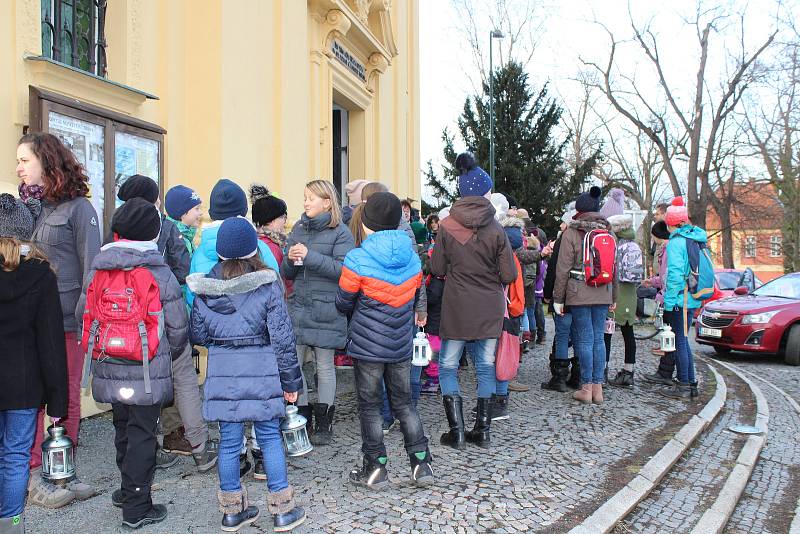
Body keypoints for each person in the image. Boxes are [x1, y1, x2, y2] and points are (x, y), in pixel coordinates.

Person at [187, 217, 306, 532]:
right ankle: (282, 510)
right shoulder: (267, 285)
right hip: (263, 373)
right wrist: (291, 383)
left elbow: (197, 334)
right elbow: (283, 339)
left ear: (221, 253)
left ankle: (231, 512)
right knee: (269, 437)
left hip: (223, 374)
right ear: (253, 249)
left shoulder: (205, 289)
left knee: (228, 441)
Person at [77, 198, 188, 529]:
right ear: (152, 234)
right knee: (143, 431)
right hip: (146, 368)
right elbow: (178, 328)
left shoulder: (100, 266)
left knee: (122, 427)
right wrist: (170, 352)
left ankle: (126, 491)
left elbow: (84, 313)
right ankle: (137, 506)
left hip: (109, 363)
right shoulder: (157, 270)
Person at [17, 132, 100, 506]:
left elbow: (92, 270)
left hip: (66, 321)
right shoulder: (25, 208)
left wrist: (84, 320)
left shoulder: (79, 210)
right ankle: (33, 474)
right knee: (33, 397)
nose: (18, 168)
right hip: (26, 322)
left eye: (24, 160)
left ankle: (62, 467)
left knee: (66, 396)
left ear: (47, 163)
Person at [117, 177, 218, 472]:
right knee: (184, 379)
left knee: (142, 385)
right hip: (163, 317)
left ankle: (150, 448)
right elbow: (183, 273)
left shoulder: (118, 228)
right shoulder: (165, 227)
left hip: (128, 325)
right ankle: (200, 449)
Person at [336, 192, 433, 489]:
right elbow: (416, 295)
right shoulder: (413, 259)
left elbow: (343, 302)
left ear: (365, 224)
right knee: (405, 404)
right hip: (400, 343)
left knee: (370, 406)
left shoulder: (357, 258)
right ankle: (421, 464)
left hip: (367, 346)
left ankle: (376, 467)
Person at [431, 152, 517, 450]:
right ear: (484, 192)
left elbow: (438, 269)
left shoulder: (446, 226)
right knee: (484, 366)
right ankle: (483, 431)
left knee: (448, 366)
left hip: (456, 306)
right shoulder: (496, 229)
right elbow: (509, 273)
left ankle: (456, 432)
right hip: (489, 307)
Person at [0, 194, 68, 532]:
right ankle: (11, 525)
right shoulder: (41, 275)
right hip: (23, 386)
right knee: (15, 458)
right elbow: (52, 343)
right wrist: (58, 400)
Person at [282, 180, 355, 445]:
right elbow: (287, 272)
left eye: (310, 198)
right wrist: (289, 259)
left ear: (326, 202)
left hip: (326, 309)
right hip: (300, 307)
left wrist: (310, 256)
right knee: (295, 366)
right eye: (304, 197)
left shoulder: (341, 233)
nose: (305, 203)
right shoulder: (299, 228)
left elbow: (344, 271)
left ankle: (324, 422)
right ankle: (301, 417)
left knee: (324, 366)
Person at [552, 186, 618, 405]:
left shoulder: (571, 232)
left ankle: (586, 388)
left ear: (578, 211)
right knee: (599, 338)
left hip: (578, 292)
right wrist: (614, 297)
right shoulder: (608, 232)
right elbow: (614, 268)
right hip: (604, 292)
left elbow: (562, 270)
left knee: (584, 338)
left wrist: (558, 299)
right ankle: (598, 390)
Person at [661, 197, 705, 399]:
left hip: (681, 298)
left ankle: (685, 384)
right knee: (684, 340)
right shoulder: (697, 238)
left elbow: (675, 275)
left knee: (680, 341)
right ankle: (691, 382)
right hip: (693, 296)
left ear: (671, 223)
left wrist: (669, 305)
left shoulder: (676, 243)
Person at [541, 206, 580, 392]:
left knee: (563, 335)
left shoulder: (564, 239)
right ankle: (579, 376)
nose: (560, 224)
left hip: (564, 294)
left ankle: (559, 378)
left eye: (563, 221)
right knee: (581, 335)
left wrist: (548, 294)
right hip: (585, 296)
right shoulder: (589, 236)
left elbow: (554, 270)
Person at [605, 214, 642, 387]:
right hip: (631, 294)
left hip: (616, 293)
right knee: (629, 333)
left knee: (607, 332)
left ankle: (602, 371)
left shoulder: (616, 246)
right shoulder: (635, 246)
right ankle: (629, 371)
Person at [642, 221, 676, 384]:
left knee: (670, 337)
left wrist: (661, 293)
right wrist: (653, 282)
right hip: (667, 295)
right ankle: (665, 371)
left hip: (669, 298)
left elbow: (667, 277)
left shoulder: (668, 249)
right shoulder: (667, 248)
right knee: (669, 337)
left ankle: (666, 373)